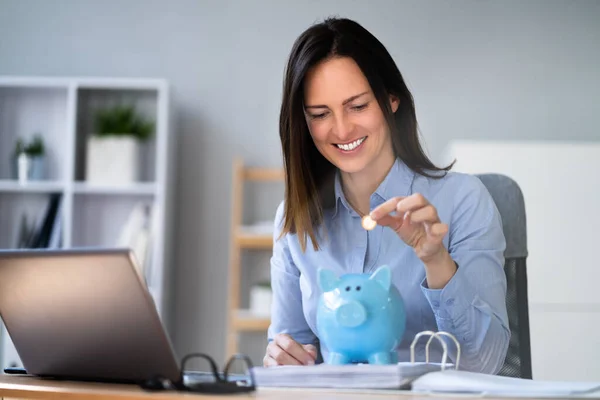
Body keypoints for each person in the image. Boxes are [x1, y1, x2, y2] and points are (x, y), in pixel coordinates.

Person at [263, 16, 509, 374]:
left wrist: (436, 260)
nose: (343, 128)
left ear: (391, 99)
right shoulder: (295, 219)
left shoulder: (464, 201)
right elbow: (290, 357)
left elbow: (484, 364)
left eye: (358, 106)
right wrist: (281, 358)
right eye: (320, 114)